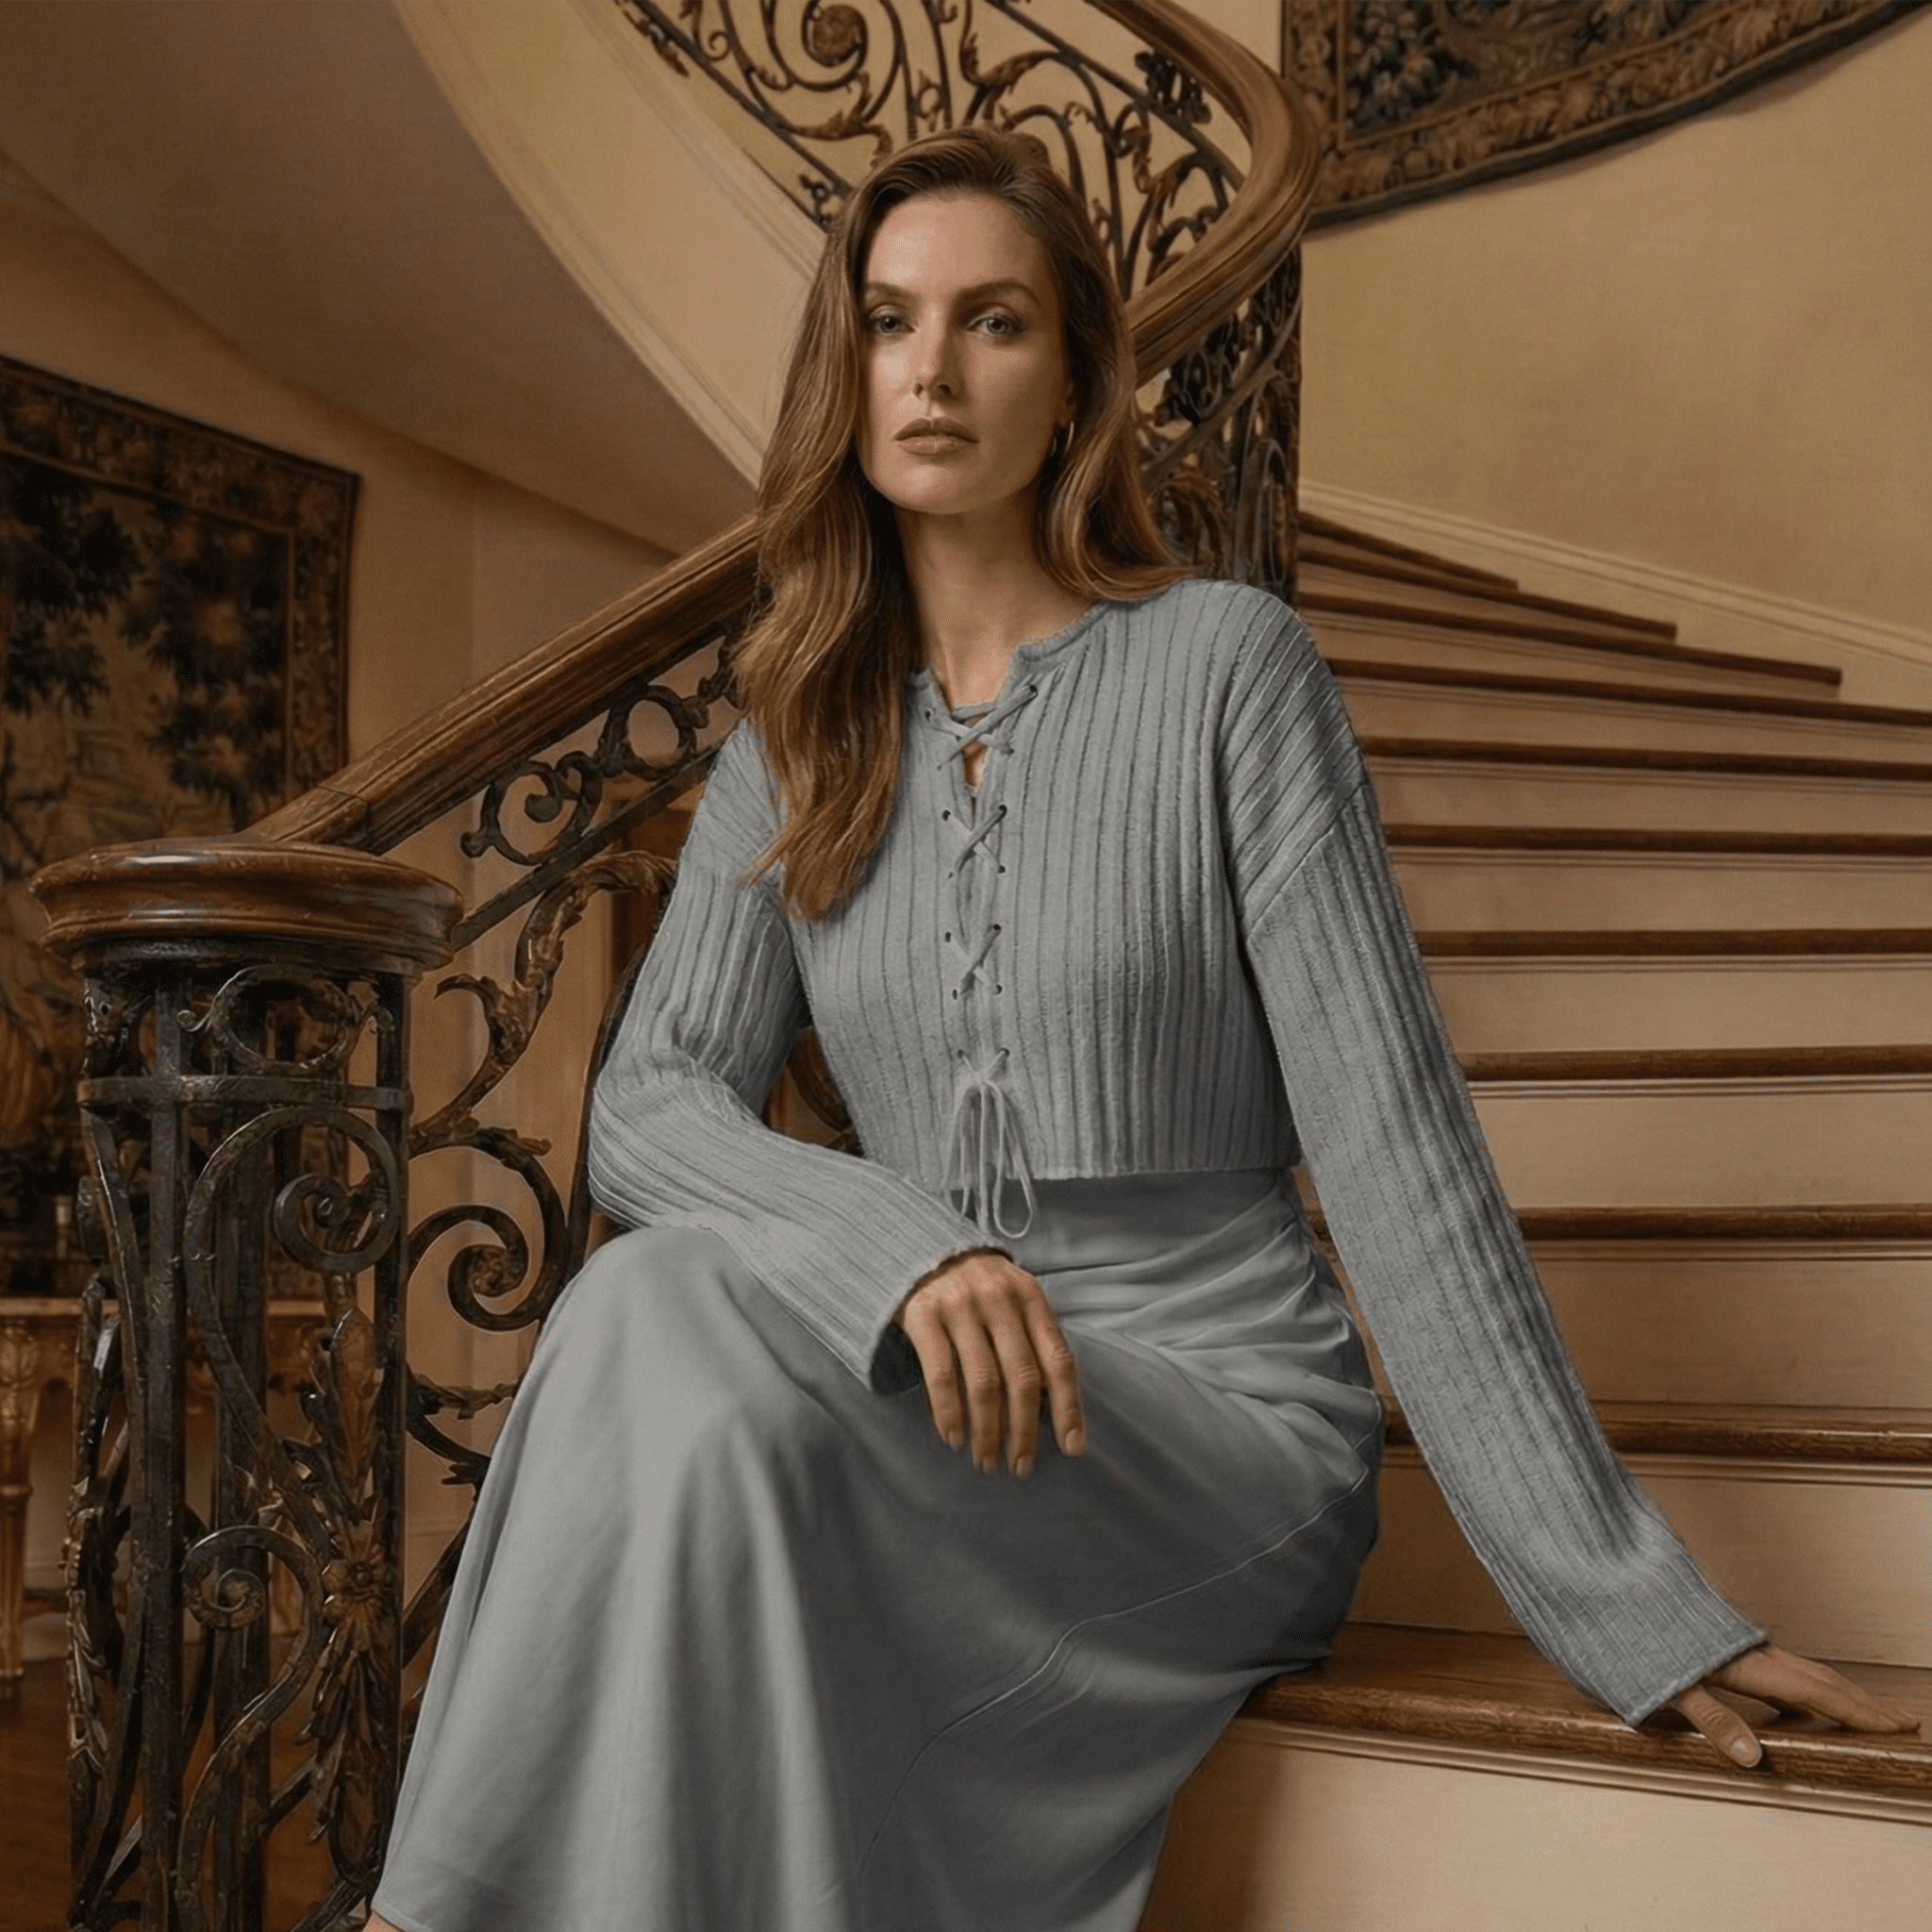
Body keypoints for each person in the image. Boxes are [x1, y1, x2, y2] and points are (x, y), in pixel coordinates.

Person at [366, 125, 1915, 1932]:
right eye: (887, 321)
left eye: (993, 321)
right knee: (648, 1310)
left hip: (1212, 1418)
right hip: (915, 1390)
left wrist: (1631, 1606)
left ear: (1079, 379)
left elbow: (1399, 1156)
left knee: (676, 1350)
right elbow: (642, 1109)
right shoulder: (794, 743)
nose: (932, 370)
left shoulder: (1232, 673)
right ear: (844, 374)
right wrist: (903, 1239)